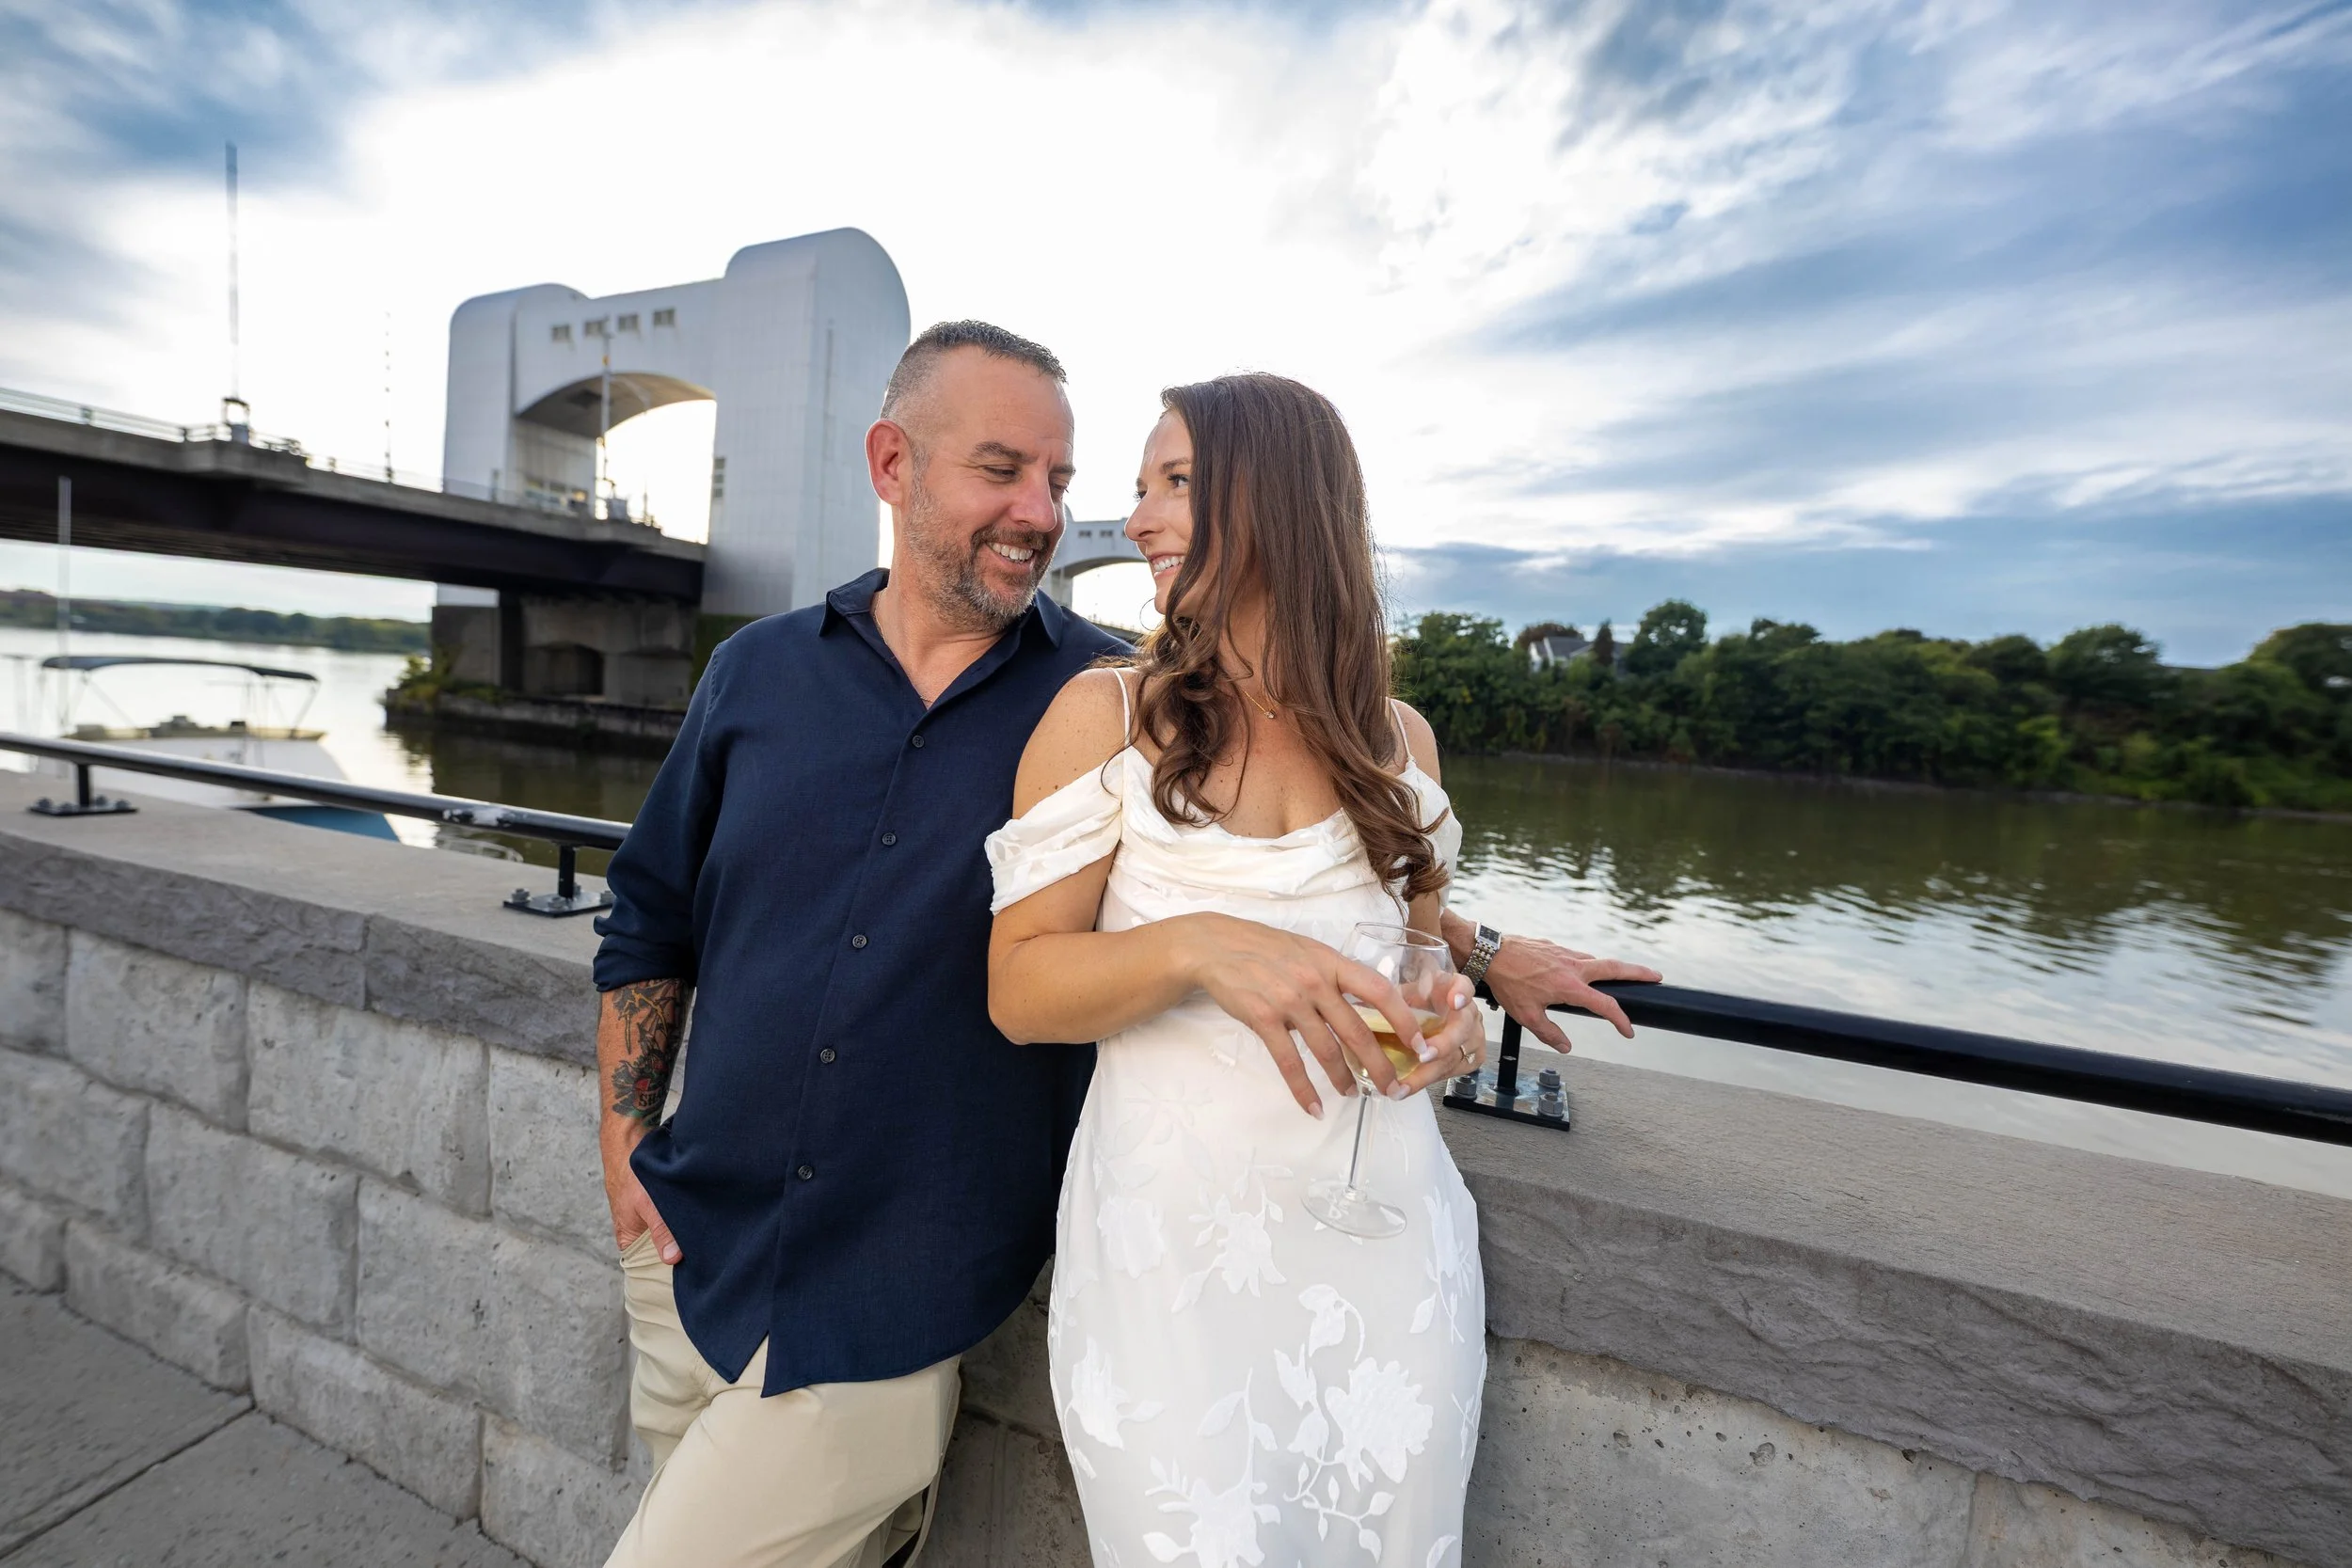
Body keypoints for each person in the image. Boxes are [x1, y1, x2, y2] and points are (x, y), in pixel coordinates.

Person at [596, 321, 1650, 1568]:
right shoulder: (762, 674)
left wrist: (1475, 967)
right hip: (697, 1239)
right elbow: (649, 913)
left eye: (1069, 477)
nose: (1058, 513)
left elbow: (1344, 906)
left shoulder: (1112, 694)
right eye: (1009, 470)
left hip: (908, 1280)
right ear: (893, 463)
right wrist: (624, 1154)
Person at [985, 372, 1661, 1567]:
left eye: (1177, 481)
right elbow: (1020, 989)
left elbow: (1415, 964)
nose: (1137, 517)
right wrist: (1198, 945)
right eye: (1138, 487)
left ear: (1285, 500)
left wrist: (1454, 1021)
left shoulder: (1399, 741)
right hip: (1169, 1262)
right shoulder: (1105, 718)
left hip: (1387, 1249)